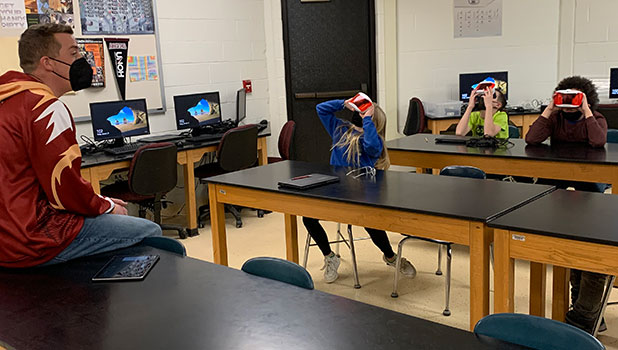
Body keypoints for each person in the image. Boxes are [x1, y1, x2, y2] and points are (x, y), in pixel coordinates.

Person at [0, 24, 161, 268]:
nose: (82, 60)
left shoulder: (8, 97)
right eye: (74, 53)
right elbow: (64, 190)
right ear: (48, 63)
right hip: (32, 239)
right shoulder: (45, 108)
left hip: (7, 233)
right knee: (150, 231)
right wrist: (106, 205)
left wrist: (98, 200)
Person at [302, 98, 416, 283]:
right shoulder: (340, 129)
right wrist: (343, 103)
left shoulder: (373, 141)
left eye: (366, 116)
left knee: (371, 223)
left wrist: (368, 121)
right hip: (335, 191)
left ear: (373, 122)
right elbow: (321, 109)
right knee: (308, 217)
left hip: (361, 195)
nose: (361, 116)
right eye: (361, 114)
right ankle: (330, 256)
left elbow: (371, 146)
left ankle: (390, 257)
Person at [526, 75, 608, 333]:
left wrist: (585, 110)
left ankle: (583, 319)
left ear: (585, 97)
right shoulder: (556, 118)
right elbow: (532, 138)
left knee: (588, 252)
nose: (568, 103)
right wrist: (550, 108)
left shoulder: (595, 118)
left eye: (573, 97)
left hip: (588, 189)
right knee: (570, 250)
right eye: (565, 97)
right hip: (558, 188)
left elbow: (597, 141)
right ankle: (584, 315)